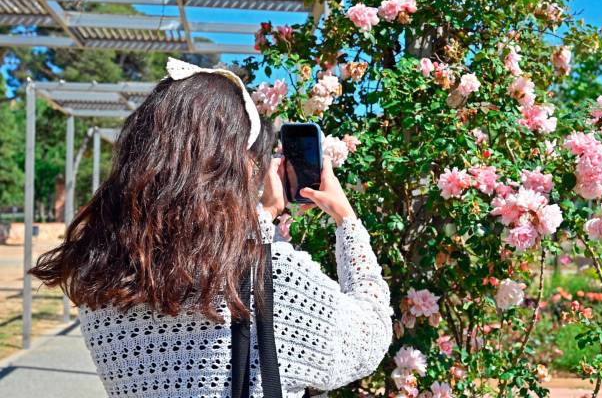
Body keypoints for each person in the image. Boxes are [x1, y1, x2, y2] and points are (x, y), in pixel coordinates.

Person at [28, 58, 393, 397]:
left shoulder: (101, 279)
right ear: (239, 168)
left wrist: (263, 221)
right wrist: (346, 220)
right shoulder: (271, 280)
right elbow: (370, 336)